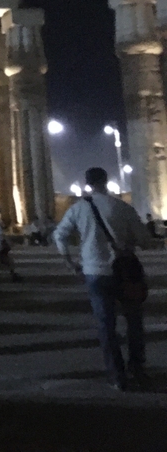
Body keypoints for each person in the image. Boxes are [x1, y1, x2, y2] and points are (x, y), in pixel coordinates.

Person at [54, 167, 158, 391]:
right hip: (125, 272)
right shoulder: (122, 207)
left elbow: (59, 235)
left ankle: (117, 376)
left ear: (87, 183)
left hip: (95, 273)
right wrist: (130, 243)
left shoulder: (78, 209)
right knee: (134, 322)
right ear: (105, 181)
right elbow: (145, 240)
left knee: (106, 326)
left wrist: (69, 262)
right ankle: (137, 367)